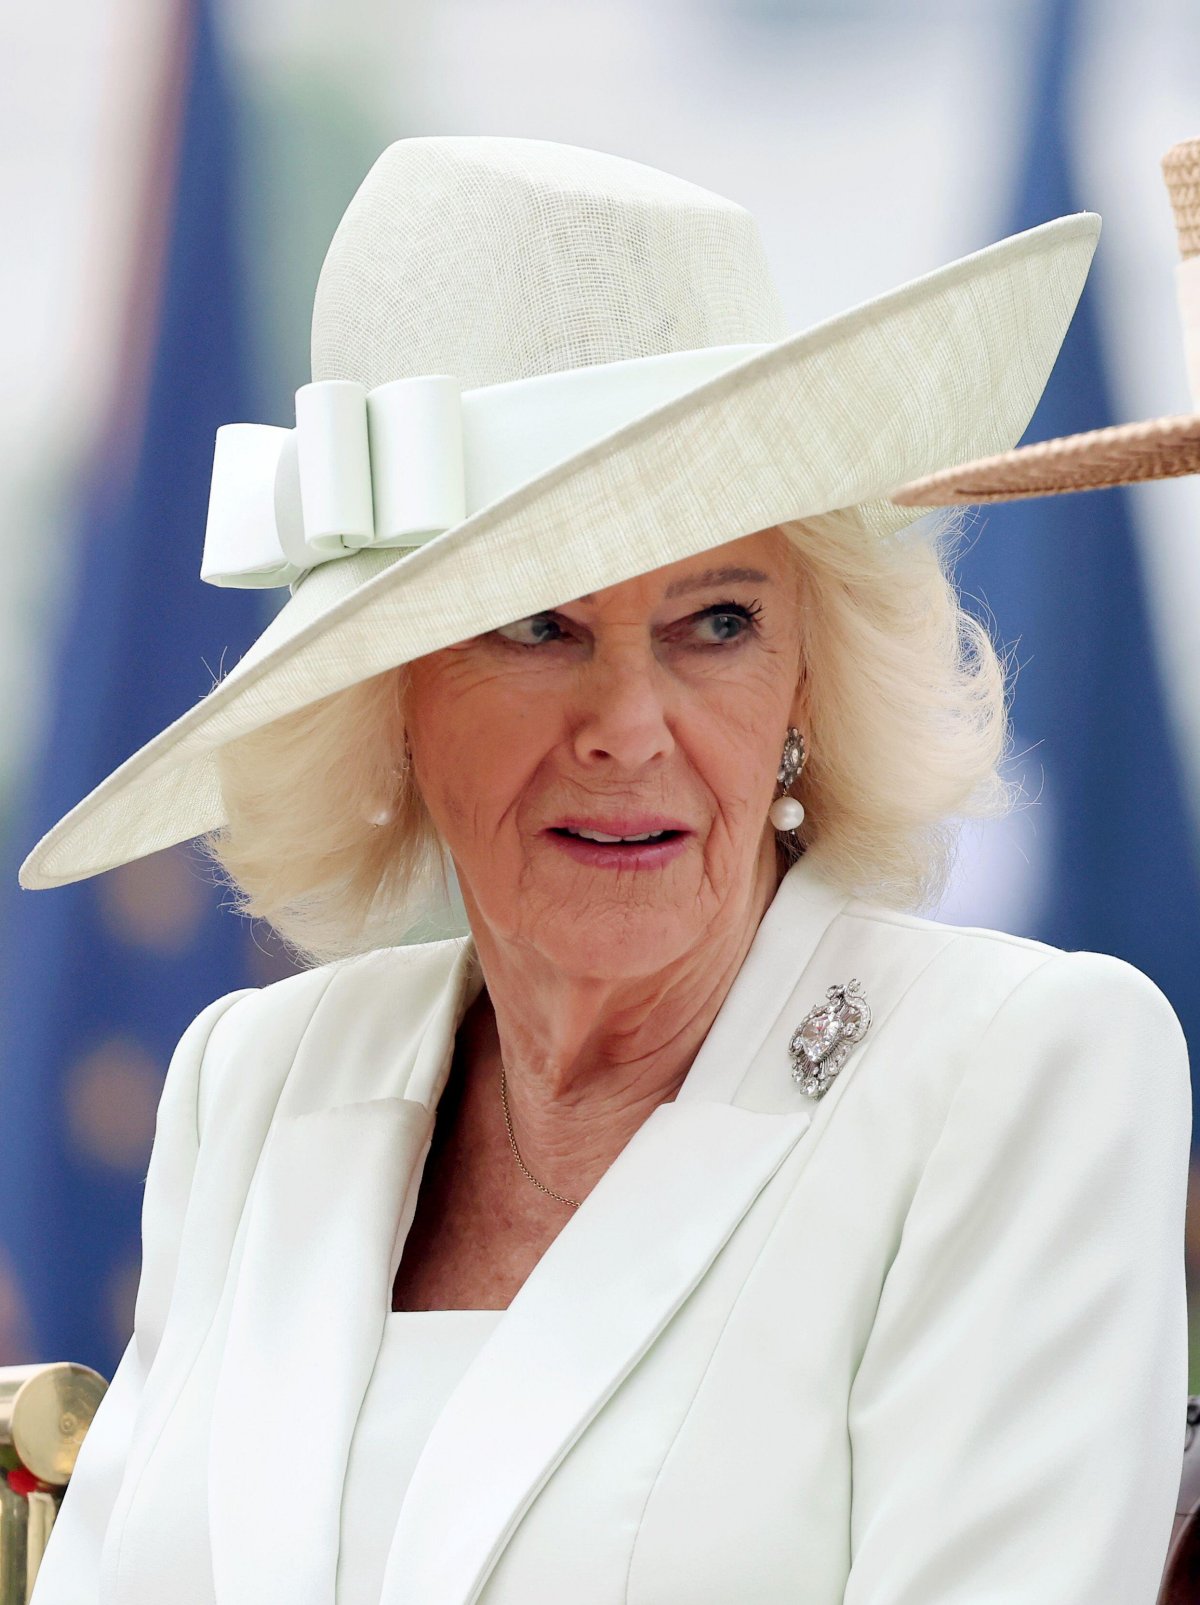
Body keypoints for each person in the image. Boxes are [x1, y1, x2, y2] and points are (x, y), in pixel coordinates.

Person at [24, 135, 1190, 1605]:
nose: (630, 727)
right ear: (385, 697)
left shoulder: (1020, 1069)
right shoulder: (252, 1078)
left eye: (717, 621)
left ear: (810, 674)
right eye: (538, 626)